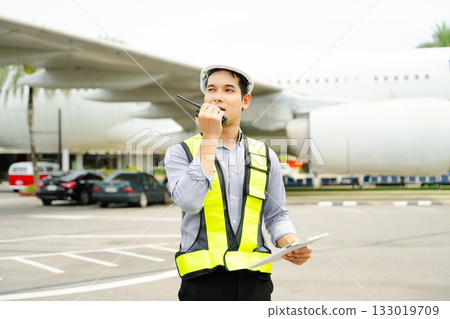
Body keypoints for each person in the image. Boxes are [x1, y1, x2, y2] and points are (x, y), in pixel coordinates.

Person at [164, 65, 312, 301]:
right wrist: (210, 137)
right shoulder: (180, 153)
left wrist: (291, 243)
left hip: (255, 284)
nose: (217, 96)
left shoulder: (265, 156)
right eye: (211, 89)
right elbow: (189, 202)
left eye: (228, 90)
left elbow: (276, 215)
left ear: (245, 101)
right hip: (201, 284)